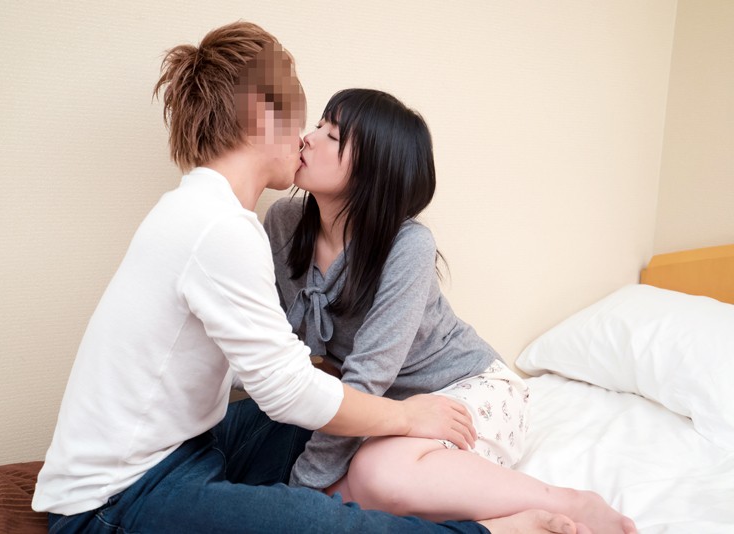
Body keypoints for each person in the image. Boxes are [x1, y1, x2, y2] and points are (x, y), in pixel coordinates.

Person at [30, 21, 580, 534]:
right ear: (262, 115)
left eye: (326, 132)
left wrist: (370, 409)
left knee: (336, 426)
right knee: (317, 517)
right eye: (304, 122)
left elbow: (281, 372)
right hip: (114, 498)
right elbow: (287, 387)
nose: (305, 139)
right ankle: (495, 530)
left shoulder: (206, 212)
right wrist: (403, 417)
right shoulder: (225, 227)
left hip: (185, 450)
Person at [264, 88, 638, 534]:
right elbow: (277, 344)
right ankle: (513, 523)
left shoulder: (407, 245)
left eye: (332, 135)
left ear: (374, 171)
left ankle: (570, 502)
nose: (307, 138)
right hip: (393, 410)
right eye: (318, 125)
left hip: (468, 388)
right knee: (350, 492)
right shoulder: (283, 224)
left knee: (375, 476)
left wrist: (299, 491)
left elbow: (368, 375)